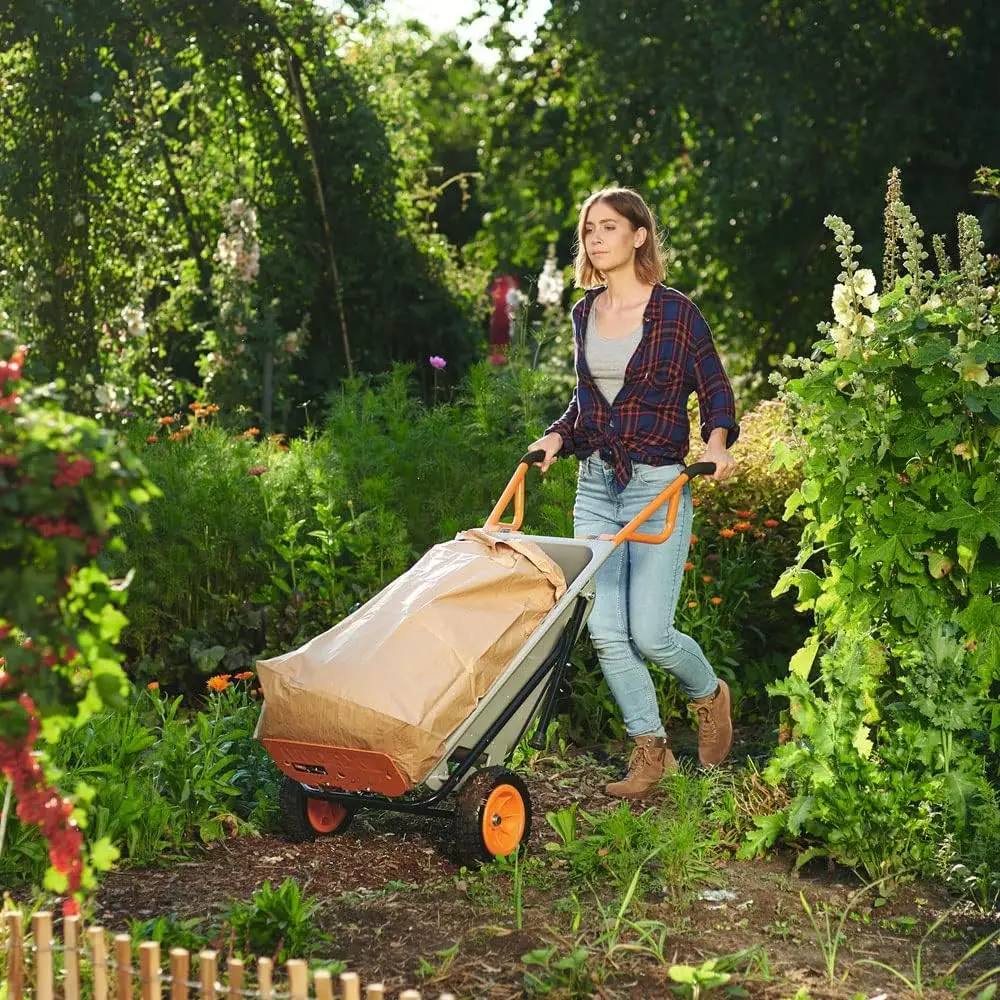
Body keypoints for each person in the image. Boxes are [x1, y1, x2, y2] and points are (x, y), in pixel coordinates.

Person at [528, 187, 739, 799]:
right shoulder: (582, 313)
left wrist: (718, 444)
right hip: (596, 484)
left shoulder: (676, 313)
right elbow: (585, 405)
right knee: (606, 631)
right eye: (588, 229)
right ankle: (650, 753)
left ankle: (709, 694)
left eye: (608, 227)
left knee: (650, 633)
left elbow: (715, 389)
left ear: (639, 235)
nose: (595, 238)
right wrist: (554, 439)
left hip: (657, 484)